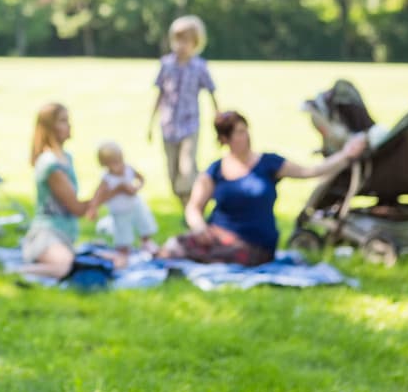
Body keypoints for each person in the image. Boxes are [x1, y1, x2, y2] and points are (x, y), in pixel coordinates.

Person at [156, 110, 367, 266]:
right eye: (238, 133)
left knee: (234, 257)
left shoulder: (268, 163)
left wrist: (346, 154)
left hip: (254, 243)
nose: (245, 137)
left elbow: (310, 171)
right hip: (218, 234)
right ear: (224, 139)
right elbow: (194, 207)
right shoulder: (215, 171)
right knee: (176, 245)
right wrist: (199, 227)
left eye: (246, 131)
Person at [19, 103, 124, 279]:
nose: (69, 126)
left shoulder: (65, 157)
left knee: (117, 260)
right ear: (50, 127)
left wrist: (106, 191)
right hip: (46, 236)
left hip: (65, 238)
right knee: (65, 267)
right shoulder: (50, 164)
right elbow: (76, 208)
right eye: (63, 121)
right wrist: (110, 190)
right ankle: (11, 272)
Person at [147, 15, 219, 215]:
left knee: (187, 171)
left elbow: (212, 91)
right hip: (168, 125)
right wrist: (150, 124)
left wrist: (218, 117)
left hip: (189, 125)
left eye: (186, 41)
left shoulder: (199, 66)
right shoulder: (166, 64)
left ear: (196, 43)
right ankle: (190, 211)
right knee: (173, 176)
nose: (181, 45)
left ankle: (199, 201)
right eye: (178, 40)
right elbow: (159, 94)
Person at [88, 141, 159, 255]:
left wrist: (136, 188)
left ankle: (146, 242)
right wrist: (93, 208)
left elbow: (141, 179)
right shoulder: (107, 179)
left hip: (134, 204)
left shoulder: (128, 169)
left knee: (144, 221)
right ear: (105, 165)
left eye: (119, 161)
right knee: (122, 230)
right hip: (119, 209)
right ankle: (124, 250)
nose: (118, 166)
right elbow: (99, 195)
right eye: (113, 163)